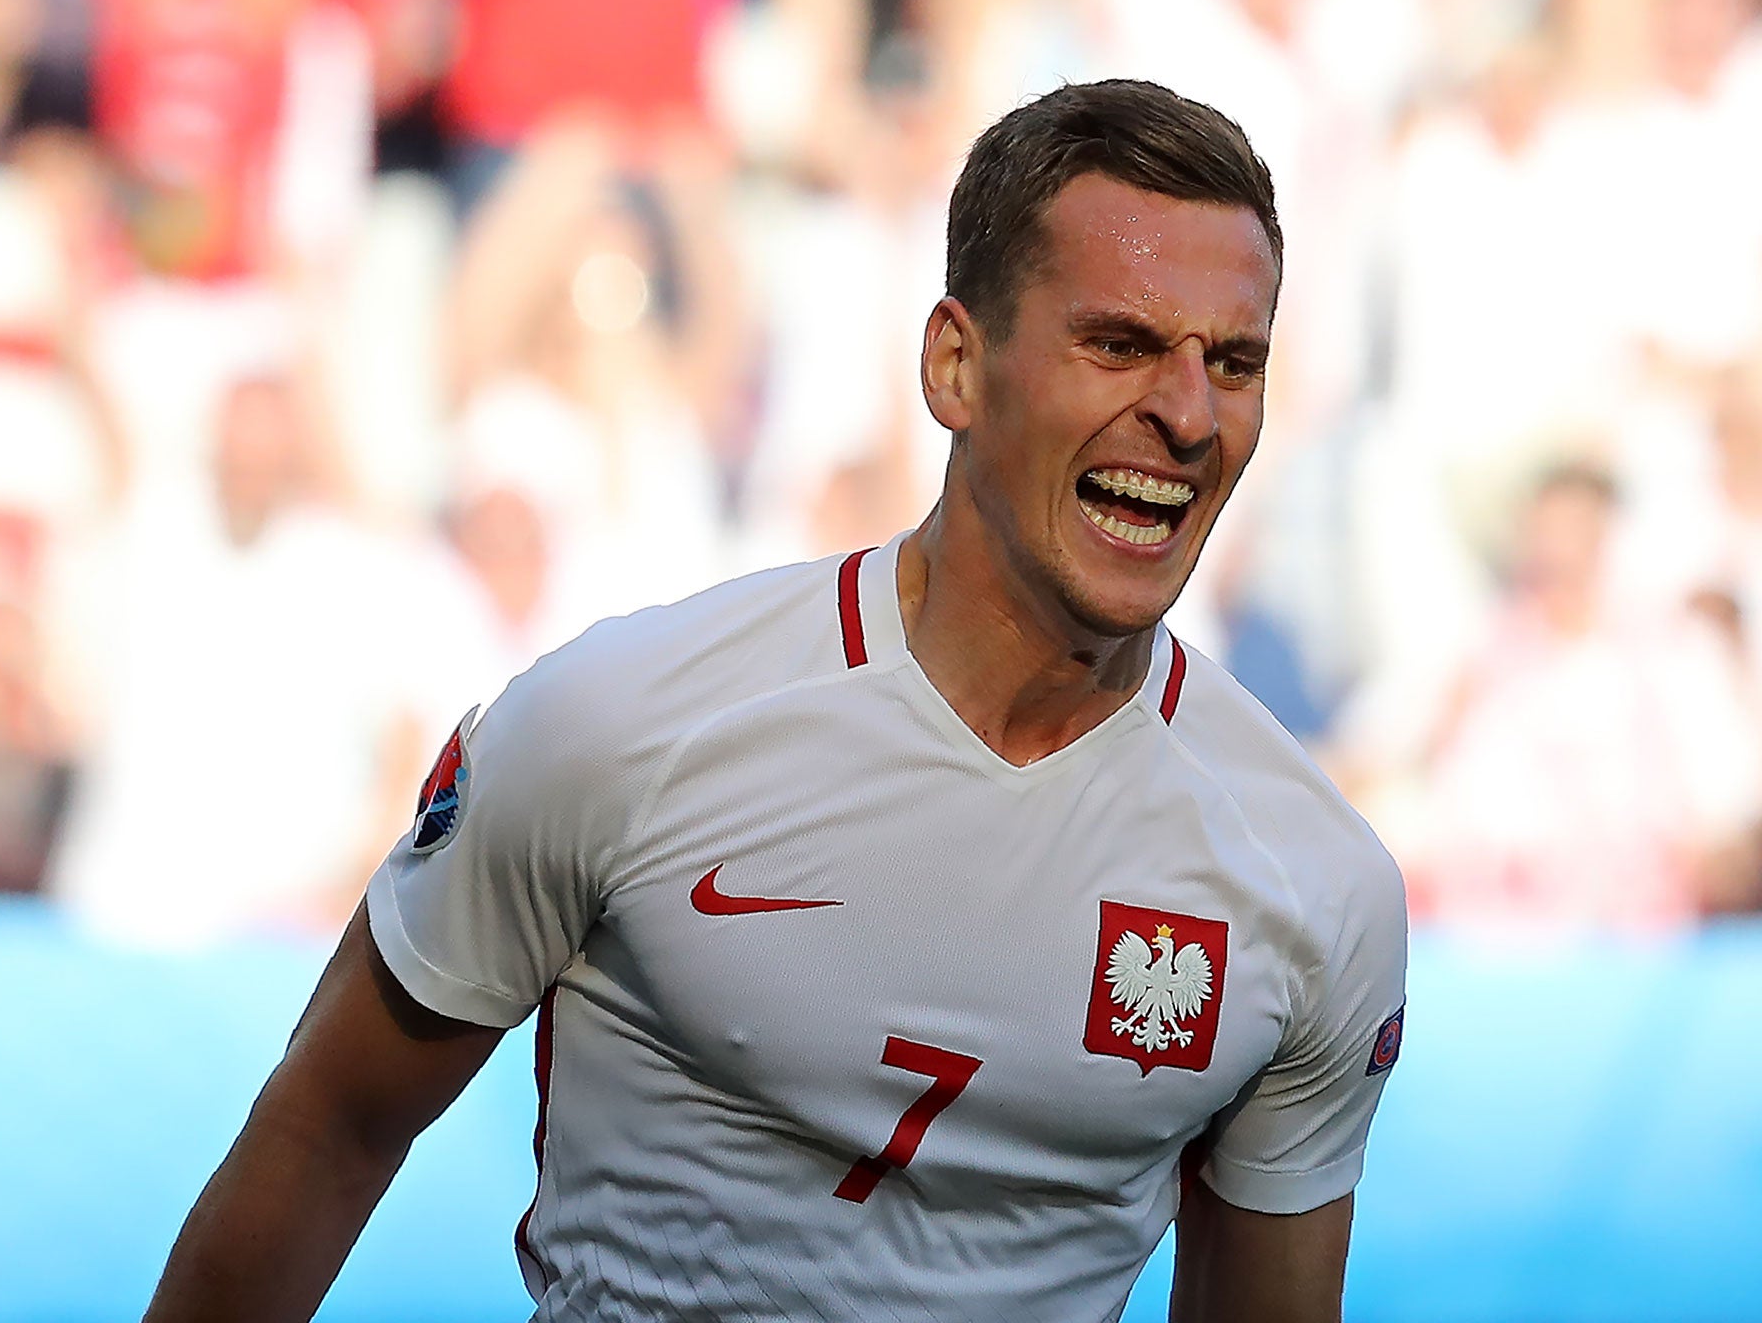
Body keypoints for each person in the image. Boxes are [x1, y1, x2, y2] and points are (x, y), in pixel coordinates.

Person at [144, 80, 1409, 1321]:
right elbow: (325, 1132)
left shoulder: (1310, 884)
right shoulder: (619, 724)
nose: (1186, 415)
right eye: (1118, 344)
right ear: (955, 365)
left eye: (1231, 364)